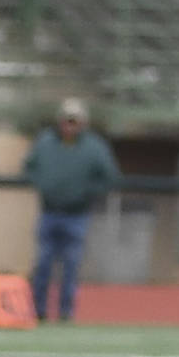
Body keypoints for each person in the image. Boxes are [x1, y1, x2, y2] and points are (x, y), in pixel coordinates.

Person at [23, 95, 118, 322]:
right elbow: (29, 167)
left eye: (74, 121)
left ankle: (66, 311)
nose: (69, 125)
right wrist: (43, 185)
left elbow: (109, 176)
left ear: (83, 123)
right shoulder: (46, 142)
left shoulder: (94, 147)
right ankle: (39, 310)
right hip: (49, 212)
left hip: (77, 214)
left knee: (71, 266)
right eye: (67, 120)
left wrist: (86, 192)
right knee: (43, 262)